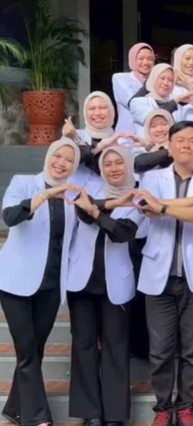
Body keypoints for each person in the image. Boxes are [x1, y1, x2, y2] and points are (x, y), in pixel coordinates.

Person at [135, 121, 193, 426]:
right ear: (170, 146)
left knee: (191, 349)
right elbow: (145, 208)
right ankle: (163, 408)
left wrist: (163, 207)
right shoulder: (151, 178)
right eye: (180, 140)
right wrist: (189, 206)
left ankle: (186, 407)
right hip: (158, 275)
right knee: (160, 349)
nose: (186, 145)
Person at [0, 138, 81, 426]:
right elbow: (11, 217)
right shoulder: (24, 183)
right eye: (58, 156)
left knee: (34, 351)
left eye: (69, 160)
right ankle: (37, 418)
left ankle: (14, 409)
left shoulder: (73, 196)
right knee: (26, 350)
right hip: (14, 284)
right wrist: (46, 194)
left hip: (51, 285)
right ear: (48, 156)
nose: (62, 163)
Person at [66, 146, 143, 426]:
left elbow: (122, 232)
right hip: (82, 281)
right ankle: (90, 413)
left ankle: (115, 415)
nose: (113, 168)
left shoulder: (137, 197)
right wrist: (97, 208)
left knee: (115, 347)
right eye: (107, 164)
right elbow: (83, 214)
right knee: (84, 345)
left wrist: (96, 211)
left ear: (128, 165)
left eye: (118, 163)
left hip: (116, 283)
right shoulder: (88, 190)